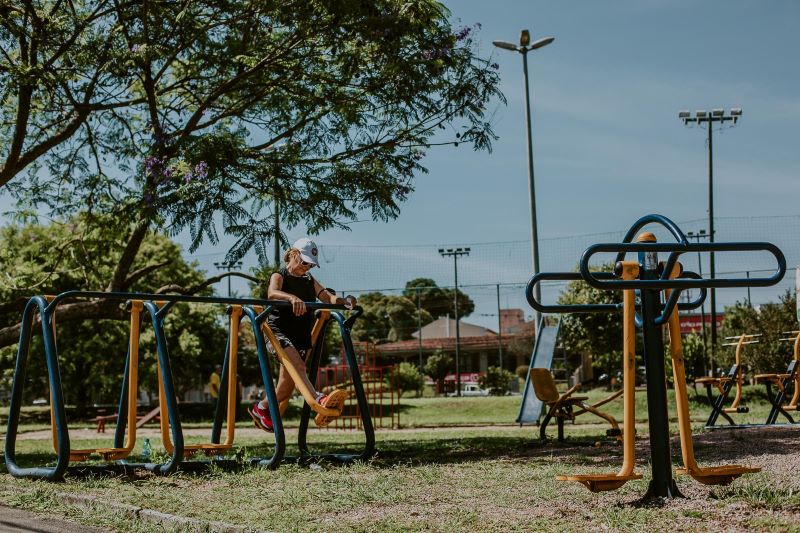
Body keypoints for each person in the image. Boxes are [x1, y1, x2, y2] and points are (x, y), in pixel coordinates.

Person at [249, 237, 357, 432]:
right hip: (278, 332)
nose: (307, 267)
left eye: (311, 265)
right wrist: (291, 297)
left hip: (300, 334)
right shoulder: (279, 275)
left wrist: (344, 301)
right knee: (298, 367)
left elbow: (327, 297)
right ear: (293, 254)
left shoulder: (309, 280)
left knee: (287, 385)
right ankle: (318, 399)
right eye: (304, 262)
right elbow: (272, 293)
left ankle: (262, 408)